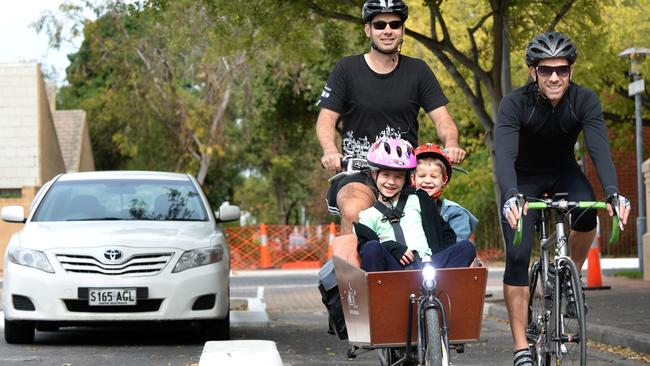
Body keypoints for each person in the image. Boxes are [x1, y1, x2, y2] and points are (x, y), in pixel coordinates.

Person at [494, 31, 632, 365]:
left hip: (563, 173)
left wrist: (614, 193)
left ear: (570, 71)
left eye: (562, 70)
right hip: (523, 179)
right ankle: (520, 348)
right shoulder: (515, 103)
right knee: (517, 252)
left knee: (587, 214)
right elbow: (504, 155)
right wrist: (511, 196)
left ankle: (570, 277)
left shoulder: (584, 100)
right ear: (533, 72)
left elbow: (599, 149)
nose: (554, 77)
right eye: (545, 70)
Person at [316, 0, 466, 235]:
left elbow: (442, 119)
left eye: (395, 24)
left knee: (434, 222)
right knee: (355, 209)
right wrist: (330, 150)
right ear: (368, 29)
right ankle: (350, 270)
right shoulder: (346, 69)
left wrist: (452, 143)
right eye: (380, 24)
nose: (387, 30)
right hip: (359, 171)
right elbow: (326, 119)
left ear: (402, 30)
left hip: (403, 173)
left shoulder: (418, 70)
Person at [353, 138, 476, 272]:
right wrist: (391, 247)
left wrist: (440, 256)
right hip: (394, 270)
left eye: (398, 177)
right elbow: (366, 249)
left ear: (407, 178)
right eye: (385, 175)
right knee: (371, 247)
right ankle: (378, 292)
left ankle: (443, 286)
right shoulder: (367, 216)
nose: (391, 182)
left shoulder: (420, 199)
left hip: (428, 266)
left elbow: (446, 233)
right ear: (374, 174)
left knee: (467, 247)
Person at [411, 143, 478, 242]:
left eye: (434, 176)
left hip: (445, 256)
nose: (427, 181)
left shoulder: (455, 213)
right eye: (422, 176)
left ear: (444, 180)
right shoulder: (403, 208)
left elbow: (457, 248)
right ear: (413, 179)